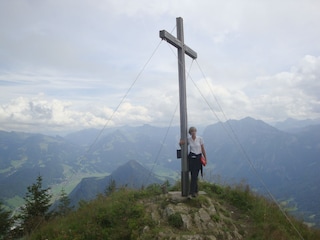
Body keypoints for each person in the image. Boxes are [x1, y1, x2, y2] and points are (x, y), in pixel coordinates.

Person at [180, 126, 207, 198]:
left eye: (194, 131)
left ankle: (191, 192)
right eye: (192, 131)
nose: (193, 132)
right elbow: (182, 145)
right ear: (190, 133)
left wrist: (205, 158)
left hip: (198, 158)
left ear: (196, 131)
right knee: (193, 175)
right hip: (191, 158)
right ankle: (195, 191)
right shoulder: (188, 139)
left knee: (195, 175)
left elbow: (203, 149)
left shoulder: (200, 139)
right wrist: (180, 143)